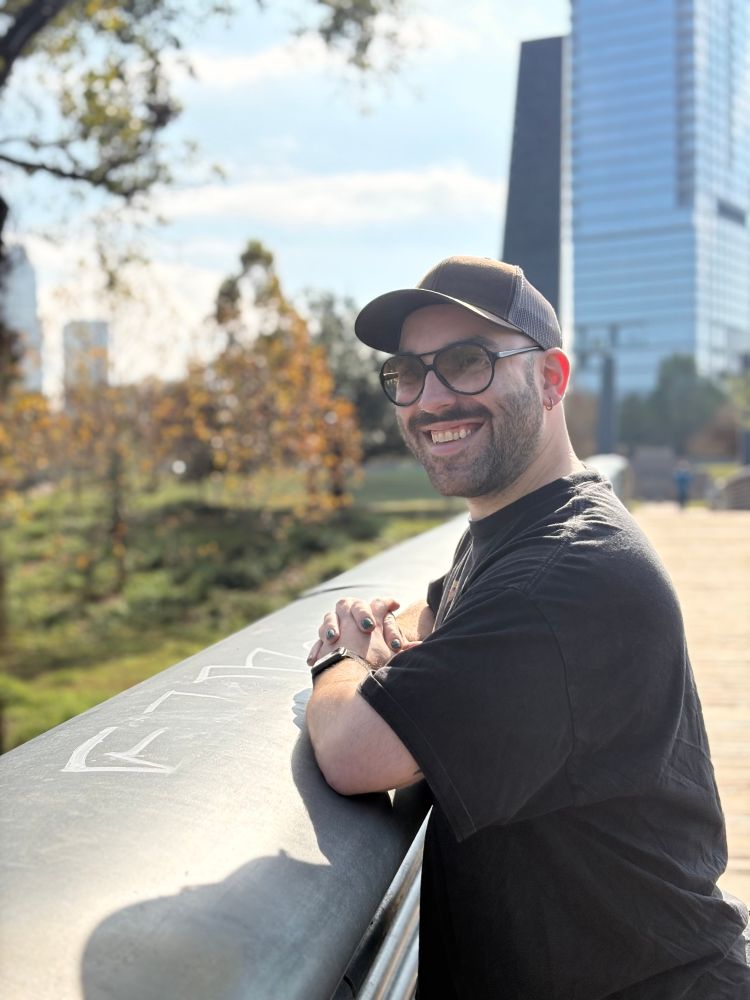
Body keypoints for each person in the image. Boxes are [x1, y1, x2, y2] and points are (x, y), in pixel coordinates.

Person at [305, 256, 750, 998]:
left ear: (551, 380)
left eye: (467, 362)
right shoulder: (513, 528)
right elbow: (437, 623)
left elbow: (357, 752)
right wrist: (386, 639)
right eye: (407, 375)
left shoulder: (565, 574)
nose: (431, 398)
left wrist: (337, 661)